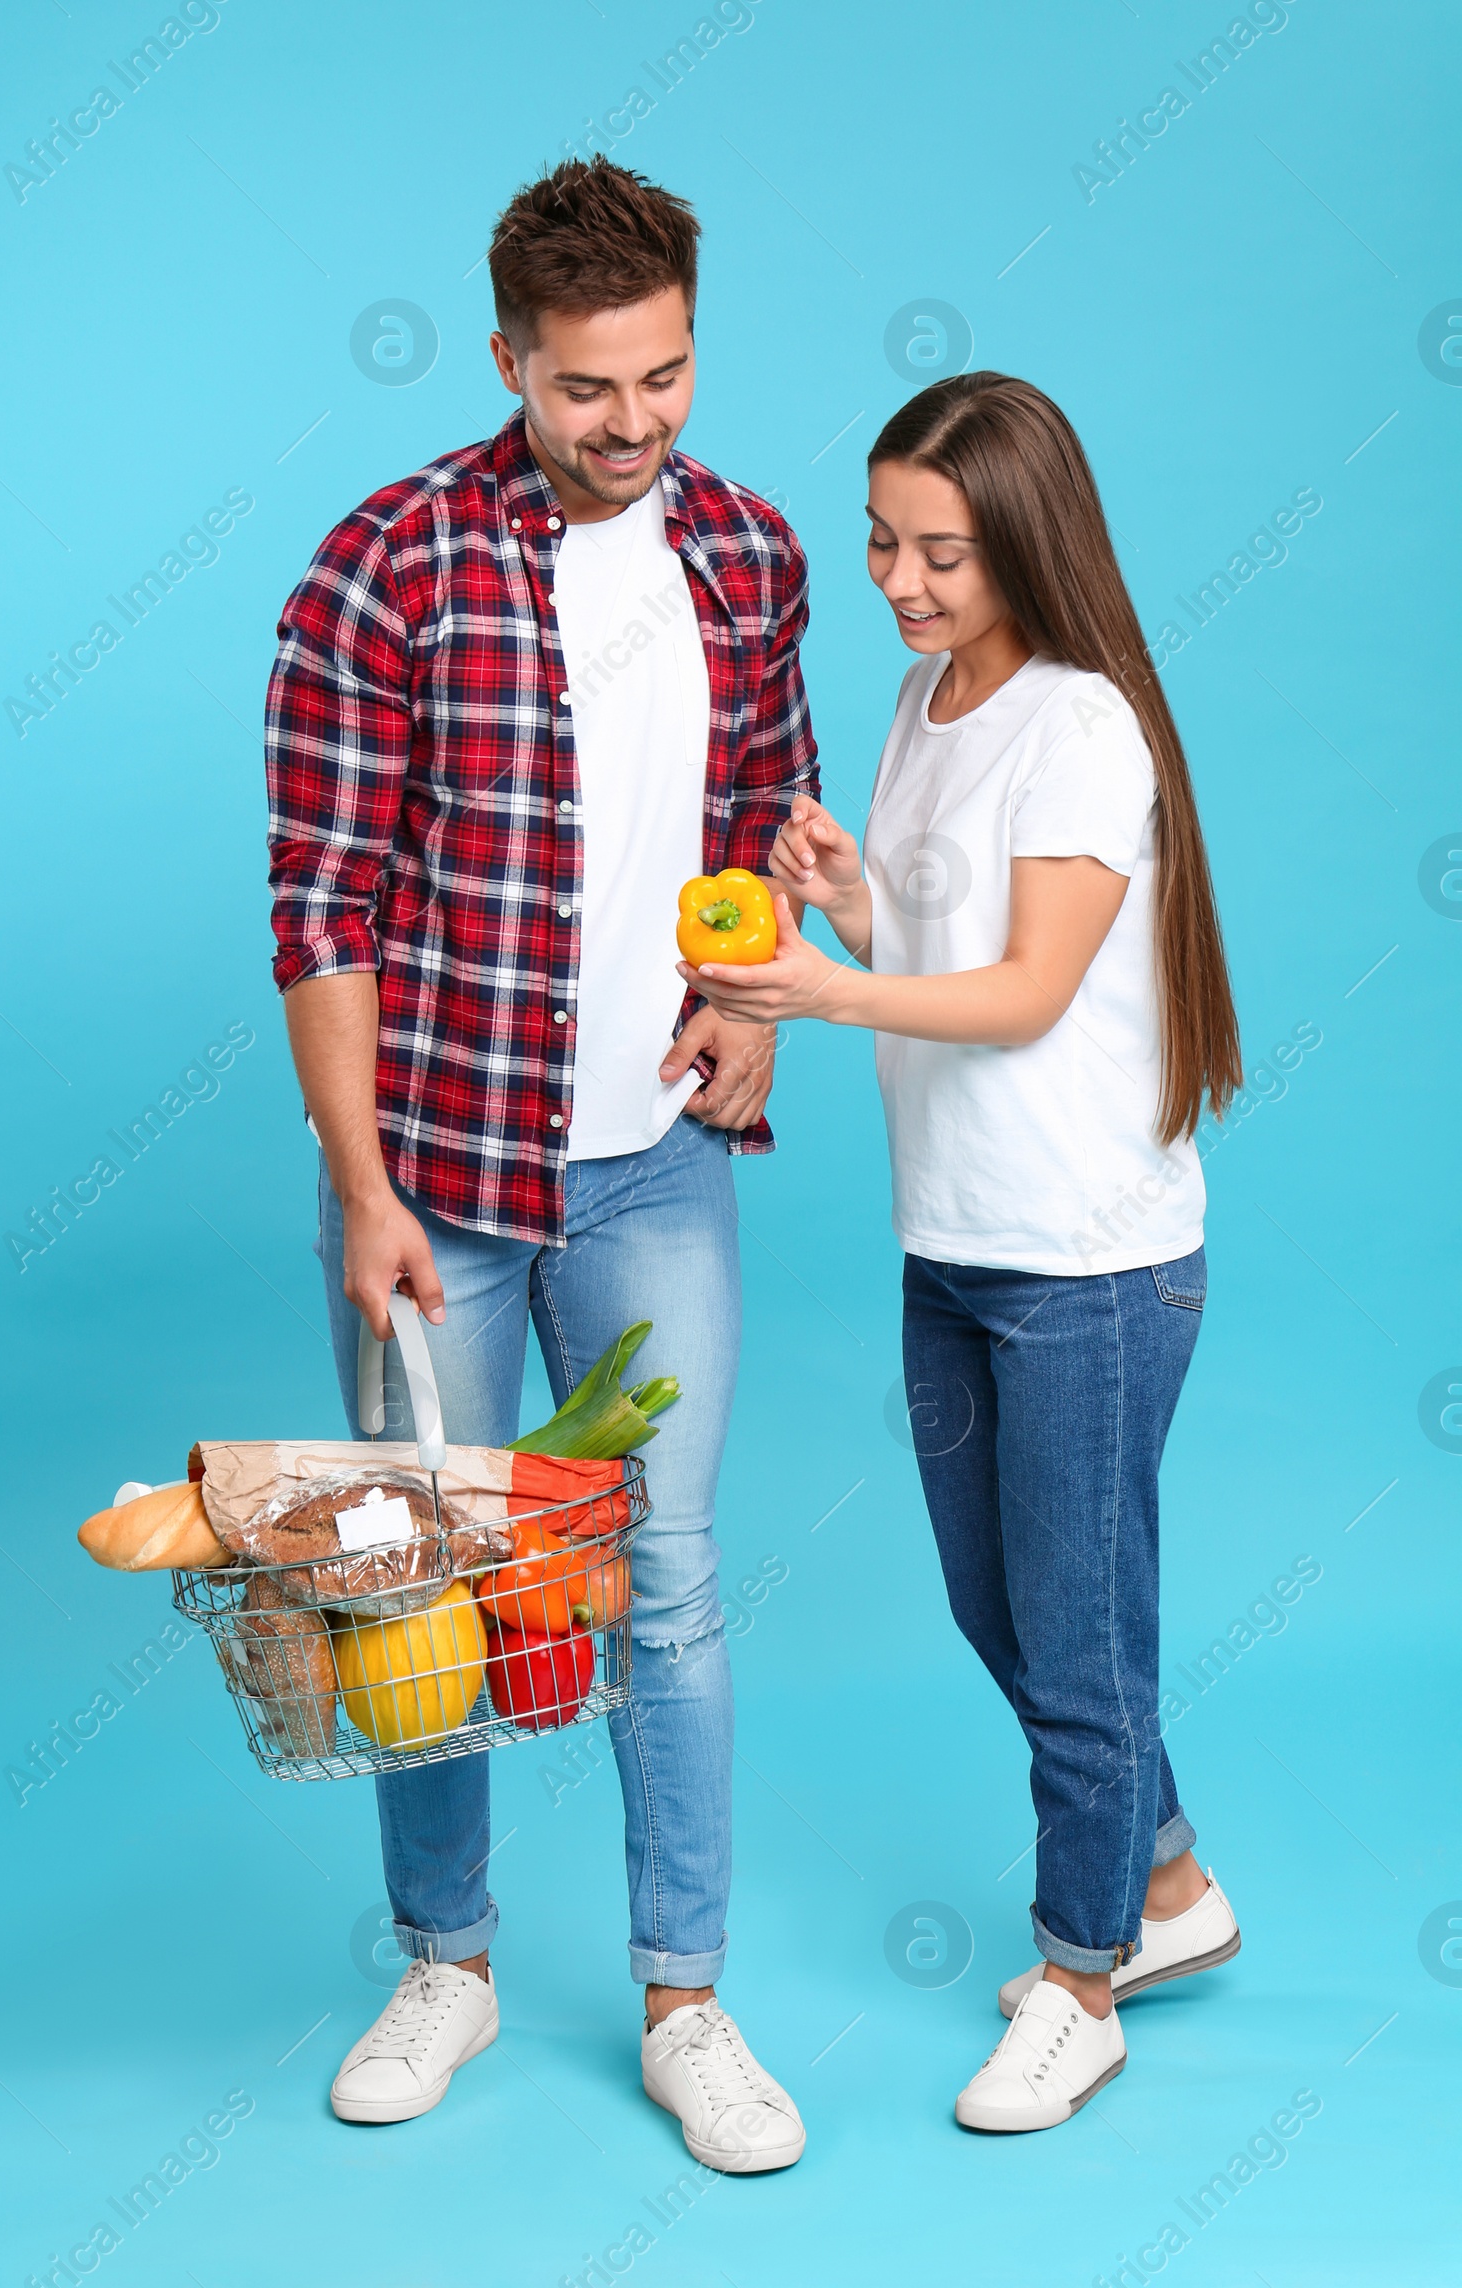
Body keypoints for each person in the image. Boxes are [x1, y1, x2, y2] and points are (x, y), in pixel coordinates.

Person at [264, 158, 814, 2172]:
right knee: (423, 1586)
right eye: (588, 388)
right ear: (509, 361)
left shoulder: (748, 552)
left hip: (658, 1165)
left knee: (660, 1582)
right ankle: (449, 1962)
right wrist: (362, 1185)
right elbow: (319, 902)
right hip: (440, 1176)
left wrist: (747, 997)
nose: (633, 422)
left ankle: (685, 1998)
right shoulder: (385, 564)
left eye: (663, 374)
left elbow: (760, 798)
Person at [683, 372, 1245, 2133]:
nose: (898, 581)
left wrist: (822, 982)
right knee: (997, 1607)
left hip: (1089, 1260)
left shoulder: (1086, 724)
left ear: (1027, 542)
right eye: (881, 541)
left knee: (1078, 1644)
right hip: (959, 1239)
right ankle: (1164, 1887)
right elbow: (949, 938)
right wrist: (856, 894)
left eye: (941, 551)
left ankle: (1085, 1979)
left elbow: (1022, 991)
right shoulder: (934, 697)